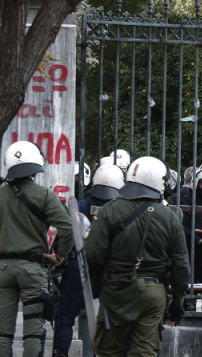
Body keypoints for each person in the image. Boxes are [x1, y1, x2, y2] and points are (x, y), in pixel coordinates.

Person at [85, 156, 190, 357]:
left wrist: (99, 287)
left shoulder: (110, 210)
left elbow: (92, 254)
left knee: (108, 351)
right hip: (152, 292)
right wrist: (177, 301)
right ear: (158, 182)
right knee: (143, 352)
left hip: (116, 289)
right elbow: (181, 266)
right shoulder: (169, 217)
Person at [0, 141, 73, 357]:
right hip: (33, 270)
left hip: (3, 269)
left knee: (3, 334)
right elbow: (67, 227)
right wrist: (59, 256)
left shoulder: (1, 195)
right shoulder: (44, 195)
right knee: (33, 334)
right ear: (35, 167)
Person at [52, 164, 125, 357]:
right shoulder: (120, 210)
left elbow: (64, 235)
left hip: (78, 265)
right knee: (107, 316)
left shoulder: (81, 205)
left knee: (66, 315)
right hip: (109, 268)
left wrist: (61, 256)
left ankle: (60, 351)